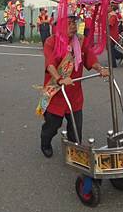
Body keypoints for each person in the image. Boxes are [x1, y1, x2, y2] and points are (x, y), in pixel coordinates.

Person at [39, 14, 109, 158]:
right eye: (69, 23)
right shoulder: (51, 42)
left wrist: (100, 69)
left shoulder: (81, 41)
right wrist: (60, 79)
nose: (73, 26)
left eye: (74, 23)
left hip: (74, 94)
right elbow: (50, 64)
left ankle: (75, 151)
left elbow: (90, 59)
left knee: (76, 128)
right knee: (52, 127)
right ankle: (45, 142)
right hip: (56, 92)